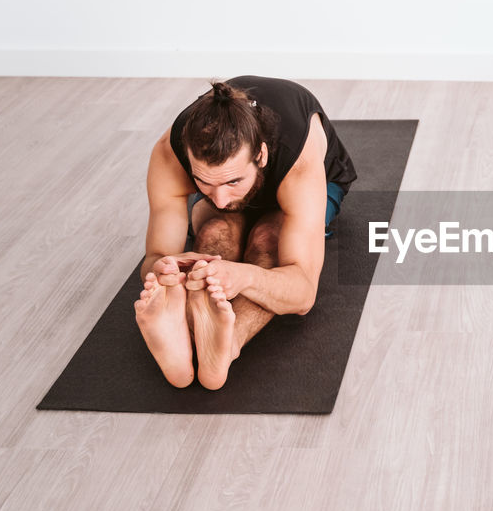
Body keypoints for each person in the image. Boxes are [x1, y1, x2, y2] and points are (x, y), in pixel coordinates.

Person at [134, 76, 356, 389]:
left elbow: (303, 293)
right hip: (237, 175)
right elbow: (155, 257)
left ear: (261, 156)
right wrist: (161, 270)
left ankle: (229, 342)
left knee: (268, 240)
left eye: (232, 182)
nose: (221, 199)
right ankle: (190, 329)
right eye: (204, 182)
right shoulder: (170, 155)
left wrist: (243, 276)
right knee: (214, 232)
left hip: (309, 184)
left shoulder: (299, 160)